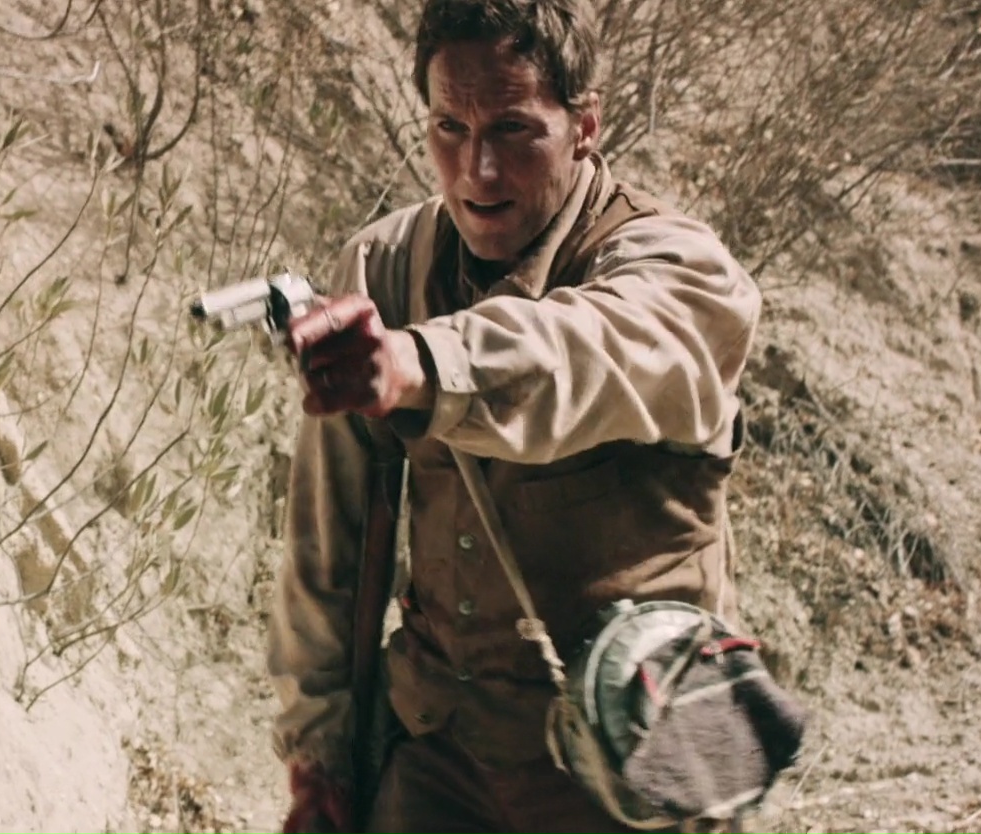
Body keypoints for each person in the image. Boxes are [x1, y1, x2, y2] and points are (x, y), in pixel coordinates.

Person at [264, 1, 764, 832]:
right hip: (439, 755)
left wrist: (418, 364)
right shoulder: (385, 269)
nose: (478, 171)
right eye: (450, 129)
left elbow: (580, 350)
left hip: (633, 764)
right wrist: (318, 752)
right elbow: (328, 545)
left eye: (512, 130)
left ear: (585, 125)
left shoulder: (684, 273)